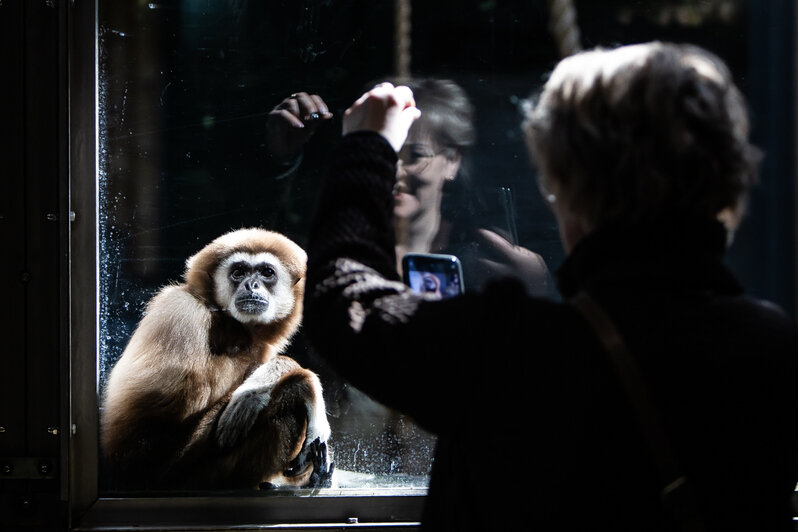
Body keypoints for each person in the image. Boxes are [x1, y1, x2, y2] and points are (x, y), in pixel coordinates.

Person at [303, 42, 798, 530]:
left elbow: (343, 305)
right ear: (728, 177)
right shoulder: (772, 346)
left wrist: (367, 149)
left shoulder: (517, 349)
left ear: (568, 185)